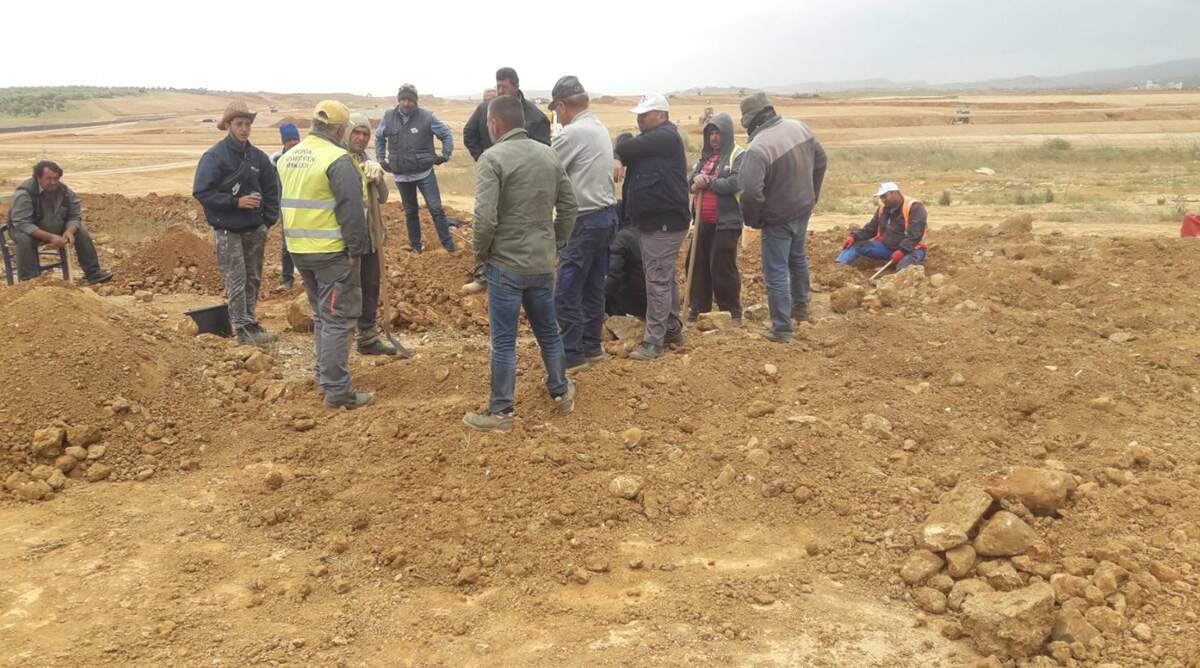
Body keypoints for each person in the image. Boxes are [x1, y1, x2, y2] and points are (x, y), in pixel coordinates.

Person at [464, 95, 578, 433]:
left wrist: (480, 253)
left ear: (495, 124)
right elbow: (569, 207)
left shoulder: (491, 158)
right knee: (548, 331)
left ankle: (501, 412)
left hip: (506, 266)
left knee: (504, 341)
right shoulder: (548, 154)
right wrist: (556, 244)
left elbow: (485, 218)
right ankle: (560, 390)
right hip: (541, 264)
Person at [277, 100, 373, 409]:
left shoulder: (288, 157)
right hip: (331, 254)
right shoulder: (337, 160)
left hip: (299, 250)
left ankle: (324, 376)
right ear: (340, 130)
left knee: (321, 315)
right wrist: (356, 251)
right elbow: (352, 212)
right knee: (336, 320)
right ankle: (337, 391)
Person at [737, 92, 827, 343]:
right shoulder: (799, 127)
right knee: (797, 258)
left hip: (778, 218)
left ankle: (782, 328)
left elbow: (749, 193)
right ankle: (801, 308)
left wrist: (753, 219)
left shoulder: (758, 148)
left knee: (775, 271)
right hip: (803, 209)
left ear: (751, 121)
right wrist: (813, 194)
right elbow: (821, 160)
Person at [193, 101, 282, 345]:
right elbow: (202, 191)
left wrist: (267, 221)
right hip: (227, 229)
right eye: (239, 124)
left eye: (247, 124)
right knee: (236, 279)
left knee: (253, 278)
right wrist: (235, 202)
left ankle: (250, 322)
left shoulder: (259, 158)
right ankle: (242, 329)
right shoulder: (215, 157)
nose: (244, 129)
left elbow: (272, 191)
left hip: (254, 229)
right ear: (228, 125)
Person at [612, 94, 689, 361]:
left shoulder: (665, 137)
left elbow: (627, 145)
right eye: (639, 114)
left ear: (662, 115)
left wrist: (620, 154)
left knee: (656, 281)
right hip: (656, 222)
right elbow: (624, 142)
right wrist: (619, 154)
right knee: (664, 277)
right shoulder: (653, 140)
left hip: (664, 223)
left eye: (645, 114)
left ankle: (653, 342)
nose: (640, 119)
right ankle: (671, 330)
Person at [547, 76, 617, 371]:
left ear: (563, 106)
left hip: (584, 220)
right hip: (606, 216)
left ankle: (572, 355)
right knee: (592, 287)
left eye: (556, 110)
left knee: (566, 290)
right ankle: (591, 347)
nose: (557, 116)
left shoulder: (572, 134)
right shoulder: (598, 127)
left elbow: (545, 170)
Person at [374, 84, 455, 253]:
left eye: (410, 100)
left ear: (416, 101)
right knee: (410, 212)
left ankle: (448, 246)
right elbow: (379, 138)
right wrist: (381, 158)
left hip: (424, 173)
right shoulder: (388, 117)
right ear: (399, 100)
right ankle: (416, 247)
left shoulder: (427, 117)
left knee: (436, 209)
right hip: (401, 175)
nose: (406, 103)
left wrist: (445, 154)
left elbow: (446, 134)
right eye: (403, 99)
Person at [344, 113, 398, 355]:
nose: (361, 138)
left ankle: (367, 338)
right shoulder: (340, 161)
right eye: (356, 132)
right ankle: (341, 344)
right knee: (349, 290)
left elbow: (383, 198)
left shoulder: (368, 160)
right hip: (348, 239)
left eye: (365, 134)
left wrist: (378, 178)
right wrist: (359, 178)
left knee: (370, 286)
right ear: (347, 133)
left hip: (370, 236)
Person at [6, 161, 112, 284]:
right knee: (24, 239)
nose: (53, 182)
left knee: (80, 231)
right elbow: (22, 223)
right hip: (29, 230)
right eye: (49, 179)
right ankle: (30, 281)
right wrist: (51, 237)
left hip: (53, 225)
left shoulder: (65, 191)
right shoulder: (24, 194)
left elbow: (74, 215)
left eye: (56, 178)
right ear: (38, 177)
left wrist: (69, 231)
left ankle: (93, 273)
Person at [686, 112, 745, 325]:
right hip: (703, 221)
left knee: (721, 266)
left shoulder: (738, 155)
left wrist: (709, 183)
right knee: (696, 264)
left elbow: (735, 182)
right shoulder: (705, 157)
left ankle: (731, 312)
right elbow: (690, 179)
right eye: (711, 133)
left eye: (718, 133)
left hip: (726, 222)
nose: (714, 138)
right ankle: (699, 307)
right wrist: (695, 180)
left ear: (727, 134)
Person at [463, 67, 551, 160]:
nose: (500, 91)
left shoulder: (537, 118)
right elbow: (469, 133)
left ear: (516, 87)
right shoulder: (484, 109)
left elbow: (543, 153)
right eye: (498, 87)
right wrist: (482, 157)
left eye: (504, 87)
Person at [837, 182, 928, 272]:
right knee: (854, 245)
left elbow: (915, 235)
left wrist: (902, 251)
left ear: (894, 192)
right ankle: (838, 268)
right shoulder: (883, 208)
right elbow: (871, 228)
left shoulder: (914, 207)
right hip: (888, 249)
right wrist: (854, 236)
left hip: (911, 250)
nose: (883, 200)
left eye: (884, 196)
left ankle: (898, 272)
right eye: (881, 197)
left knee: (903, 269)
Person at [270, 122, 301, 291]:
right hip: (286, 211)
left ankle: (307, 279)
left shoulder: (305, 159)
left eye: (295, 139)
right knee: (287, 245)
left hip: (306, 210)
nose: (293, 143)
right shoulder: (276, 161)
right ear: (284, 142)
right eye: (289, 140)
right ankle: (287, 280)